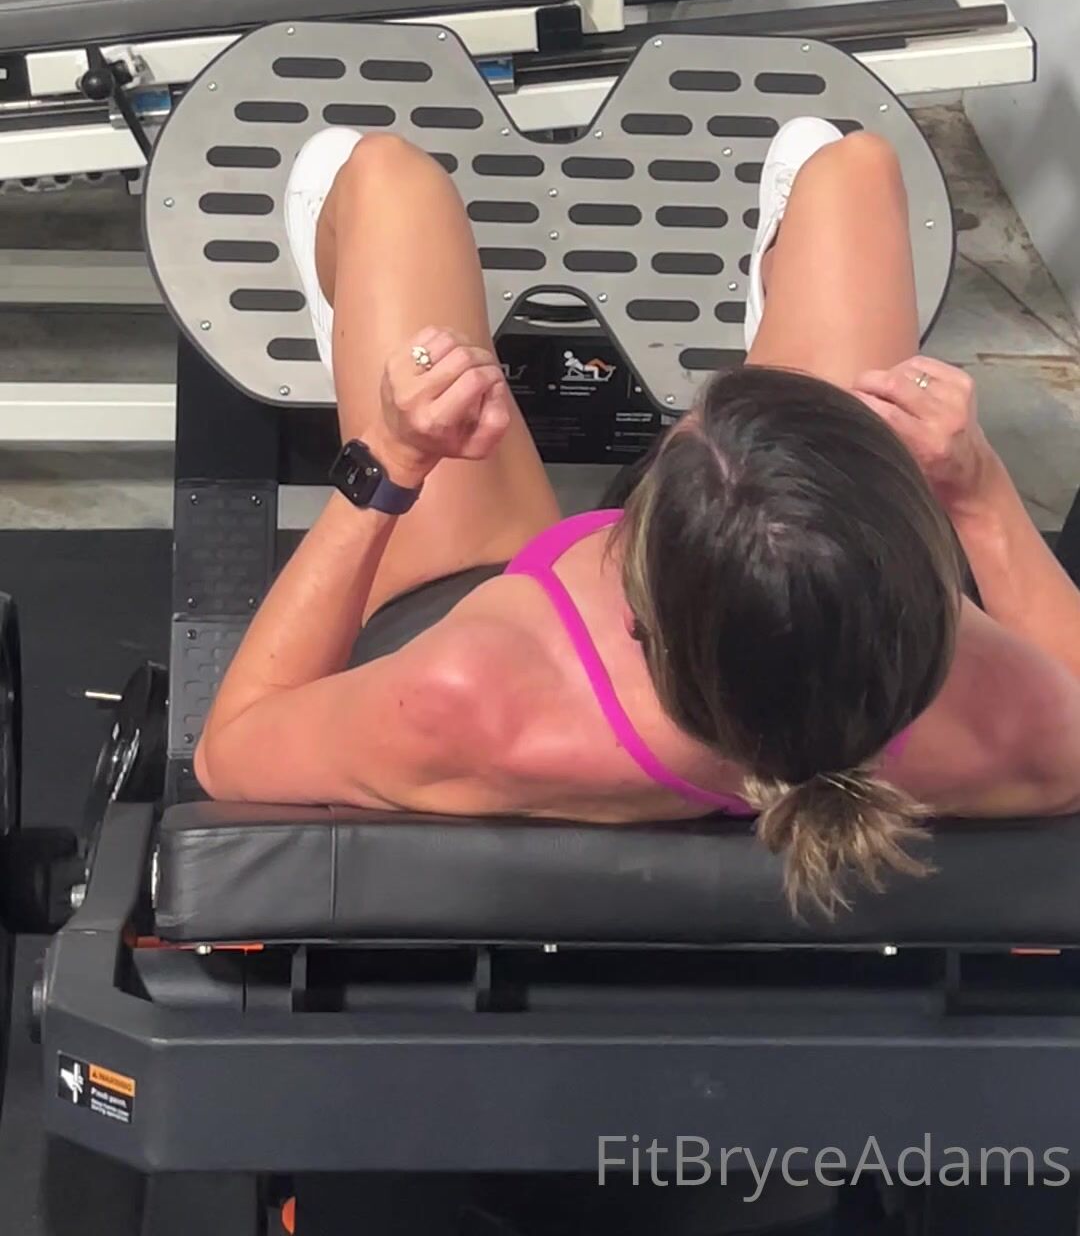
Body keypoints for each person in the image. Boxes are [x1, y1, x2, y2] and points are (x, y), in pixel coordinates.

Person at [195, 118, 1080, 916]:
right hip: (727, 650)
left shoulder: (465, 700)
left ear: (631, 599)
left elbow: (228, 749)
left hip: (493, 613)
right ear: (912, 585)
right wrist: (979, 489)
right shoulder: (1009, 728)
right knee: (856, 168)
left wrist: (388, 460)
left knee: (382, 177)